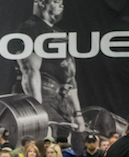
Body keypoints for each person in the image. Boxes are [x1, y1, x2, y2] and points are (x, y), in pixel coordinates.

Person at [17, 0, 86, 139]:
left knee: (63, 149)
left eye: (62, 2)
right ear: (41, 3)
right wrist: (38, 112)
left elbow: (70, 75)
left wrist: (77, 113)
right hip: (44, 97)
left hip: (62, 101)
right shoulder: (31, 28)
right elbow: (29, 71)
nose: (61, 6)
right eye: (55, 1)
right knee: (46, 148)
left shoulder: (59, 33)